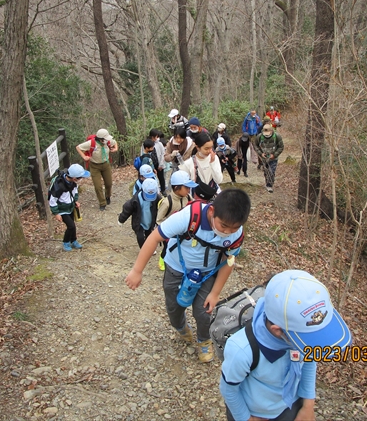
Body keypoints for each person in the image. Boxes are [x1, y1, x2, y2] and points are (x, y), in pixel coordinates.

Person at [125, 189, 251, 363]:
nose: (228, 232)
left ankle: (204, 339)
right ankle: (180, 326)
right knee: (174, 306)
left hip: (207, 273)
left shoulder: (236, 234)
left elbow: (228, 260)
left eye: (234, 227)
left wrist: (215, 293)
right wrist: (137, 271)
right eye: (223, 226)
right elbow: (155, 237)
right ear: (212, 211)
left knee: (204, 311)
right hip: (177, 268)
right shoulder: (189, 216)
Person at [219, 270, 352, 421]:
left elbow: (309, 359)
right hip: (257, 413)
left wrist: (308, 405)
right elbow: (229, 389)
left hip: (290, 404)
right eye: (308, 339)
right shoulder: (242, 350)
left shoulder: (295, 335)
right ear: (277, 330)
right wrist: (245, 418)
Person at [156, 170, 197, 271]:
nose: (189, 190)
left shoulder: (188, 197)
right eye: (186, 187)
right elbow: (159, 219)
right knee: (168, 248)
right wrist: (166, 231)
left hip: (183, 230)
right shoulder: (167, 202)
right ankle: (162, 260)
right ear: (176, 188)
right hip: (170, 232)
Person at [49, 164, 91, 251]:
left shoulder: (73, 183)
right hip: (62, 209)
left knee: (73, 225)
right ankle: (66, 242)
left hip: (70, 206)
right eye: (80, 178)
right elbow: (52, 200)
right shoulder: (59, 186)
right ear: (74, 178)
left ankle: (73, 240)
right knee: (71, 226)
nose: (81, 179)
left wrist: (75, 201)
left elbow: (75, 192)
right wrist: (56, 213)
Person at [76, 128, 118, 211]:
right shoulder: (91, 143)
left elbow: (115, 142)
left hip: (106, 164)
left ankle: (107, 196)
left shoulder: (108, 141)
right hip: (94, 166)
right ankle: (102, 203)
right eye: (105, 139)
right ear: (101, 139)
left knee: (109, 183)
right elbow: (78, 147)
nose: (107, 140)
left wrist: (115, 148)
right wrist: (84, 157)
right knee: (98, 186)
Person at [180, 132, 223, 202]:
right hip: (196, 199)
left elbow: (218, 180)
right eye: (206, 148)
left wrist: (212, 163)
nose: (210, 151)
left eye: (211, 148)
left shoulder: (214, 158)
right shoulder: (188, 163)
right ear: (197, 147)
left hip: (212, 196)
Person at [118, 178, 159, 248]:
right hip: (139, 221)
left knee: (149, 234)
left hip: (149, 221)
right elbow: (127, 209)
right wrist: (121, 220)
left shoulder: (157, 198)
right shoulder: (135, 200)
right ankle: (143, 249)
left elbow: (163, 206)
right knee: (140, 236)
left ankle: (149, 247)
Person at [255, 123, 284, 193]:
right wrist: (261, 153)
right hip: (264, 158)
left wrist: (274, 155)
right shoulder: (259, 136)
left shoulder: (277, 136)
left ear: (271, 131)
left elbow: (281, 147)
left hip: (273, 158)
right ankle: (267, 182)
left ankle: (269, 185)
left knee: (271, 171)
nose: (266, 135)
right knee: (266, 172)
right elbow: (256, 146)